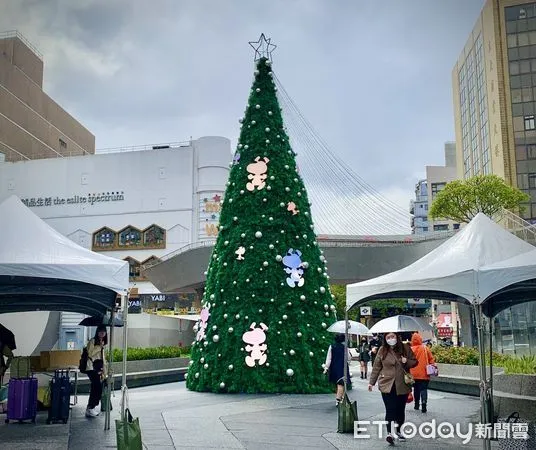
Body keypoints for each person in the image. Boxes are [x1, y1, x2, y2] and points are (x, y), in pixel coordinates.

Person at [368, 332, 418, 445]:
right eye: (388, 337)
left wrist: (407, 361)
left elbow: (415, 361)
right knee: (390, 409)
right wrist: (371, 382)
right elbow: (377, 367)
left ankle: (399, 431)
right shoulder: (382, 349)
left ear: (397, 337)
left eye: (393, 336)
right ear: (385, 339)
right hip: (387, 384)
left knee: (400, 410)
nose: (391, 339)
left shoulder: (405, 347)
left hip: (402, 384)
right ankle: (390, 433)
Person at [85, 325, 108, 418]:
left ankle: (91, 407)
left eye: (104, 332)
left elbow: (103, 359)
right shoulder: (93, 341)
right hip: (91, 368)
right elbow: (89, 353)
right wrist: (99, 347)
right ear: (97, 332)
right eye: (100, 331)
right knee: (96, 386)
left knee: (97, 387)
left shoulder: (103, 343)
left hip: (98, 368)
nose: (102, 333)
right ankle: (91, 407)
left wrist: (105, 372)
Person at [323, 333, 352, 406]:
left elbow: (329, 358)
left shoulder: (332, 346)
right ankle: (338, 399)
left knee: (338, 383)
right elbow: (348, 358)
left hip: (334, 367)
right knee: (341, 384)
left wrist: (326, 368)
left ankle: (341, 398)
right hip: (343, 367)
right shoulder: (345, 347)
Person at [410, 332, 436, 413]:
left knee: (416, 389)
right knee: (423, 389)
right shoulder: (425, 348)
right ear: (420, 339)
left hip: (413, 373)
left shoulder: (410, 349)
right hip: (424, 373)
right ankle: (424, 404)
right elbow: (431, 359)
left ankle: (416, 404)